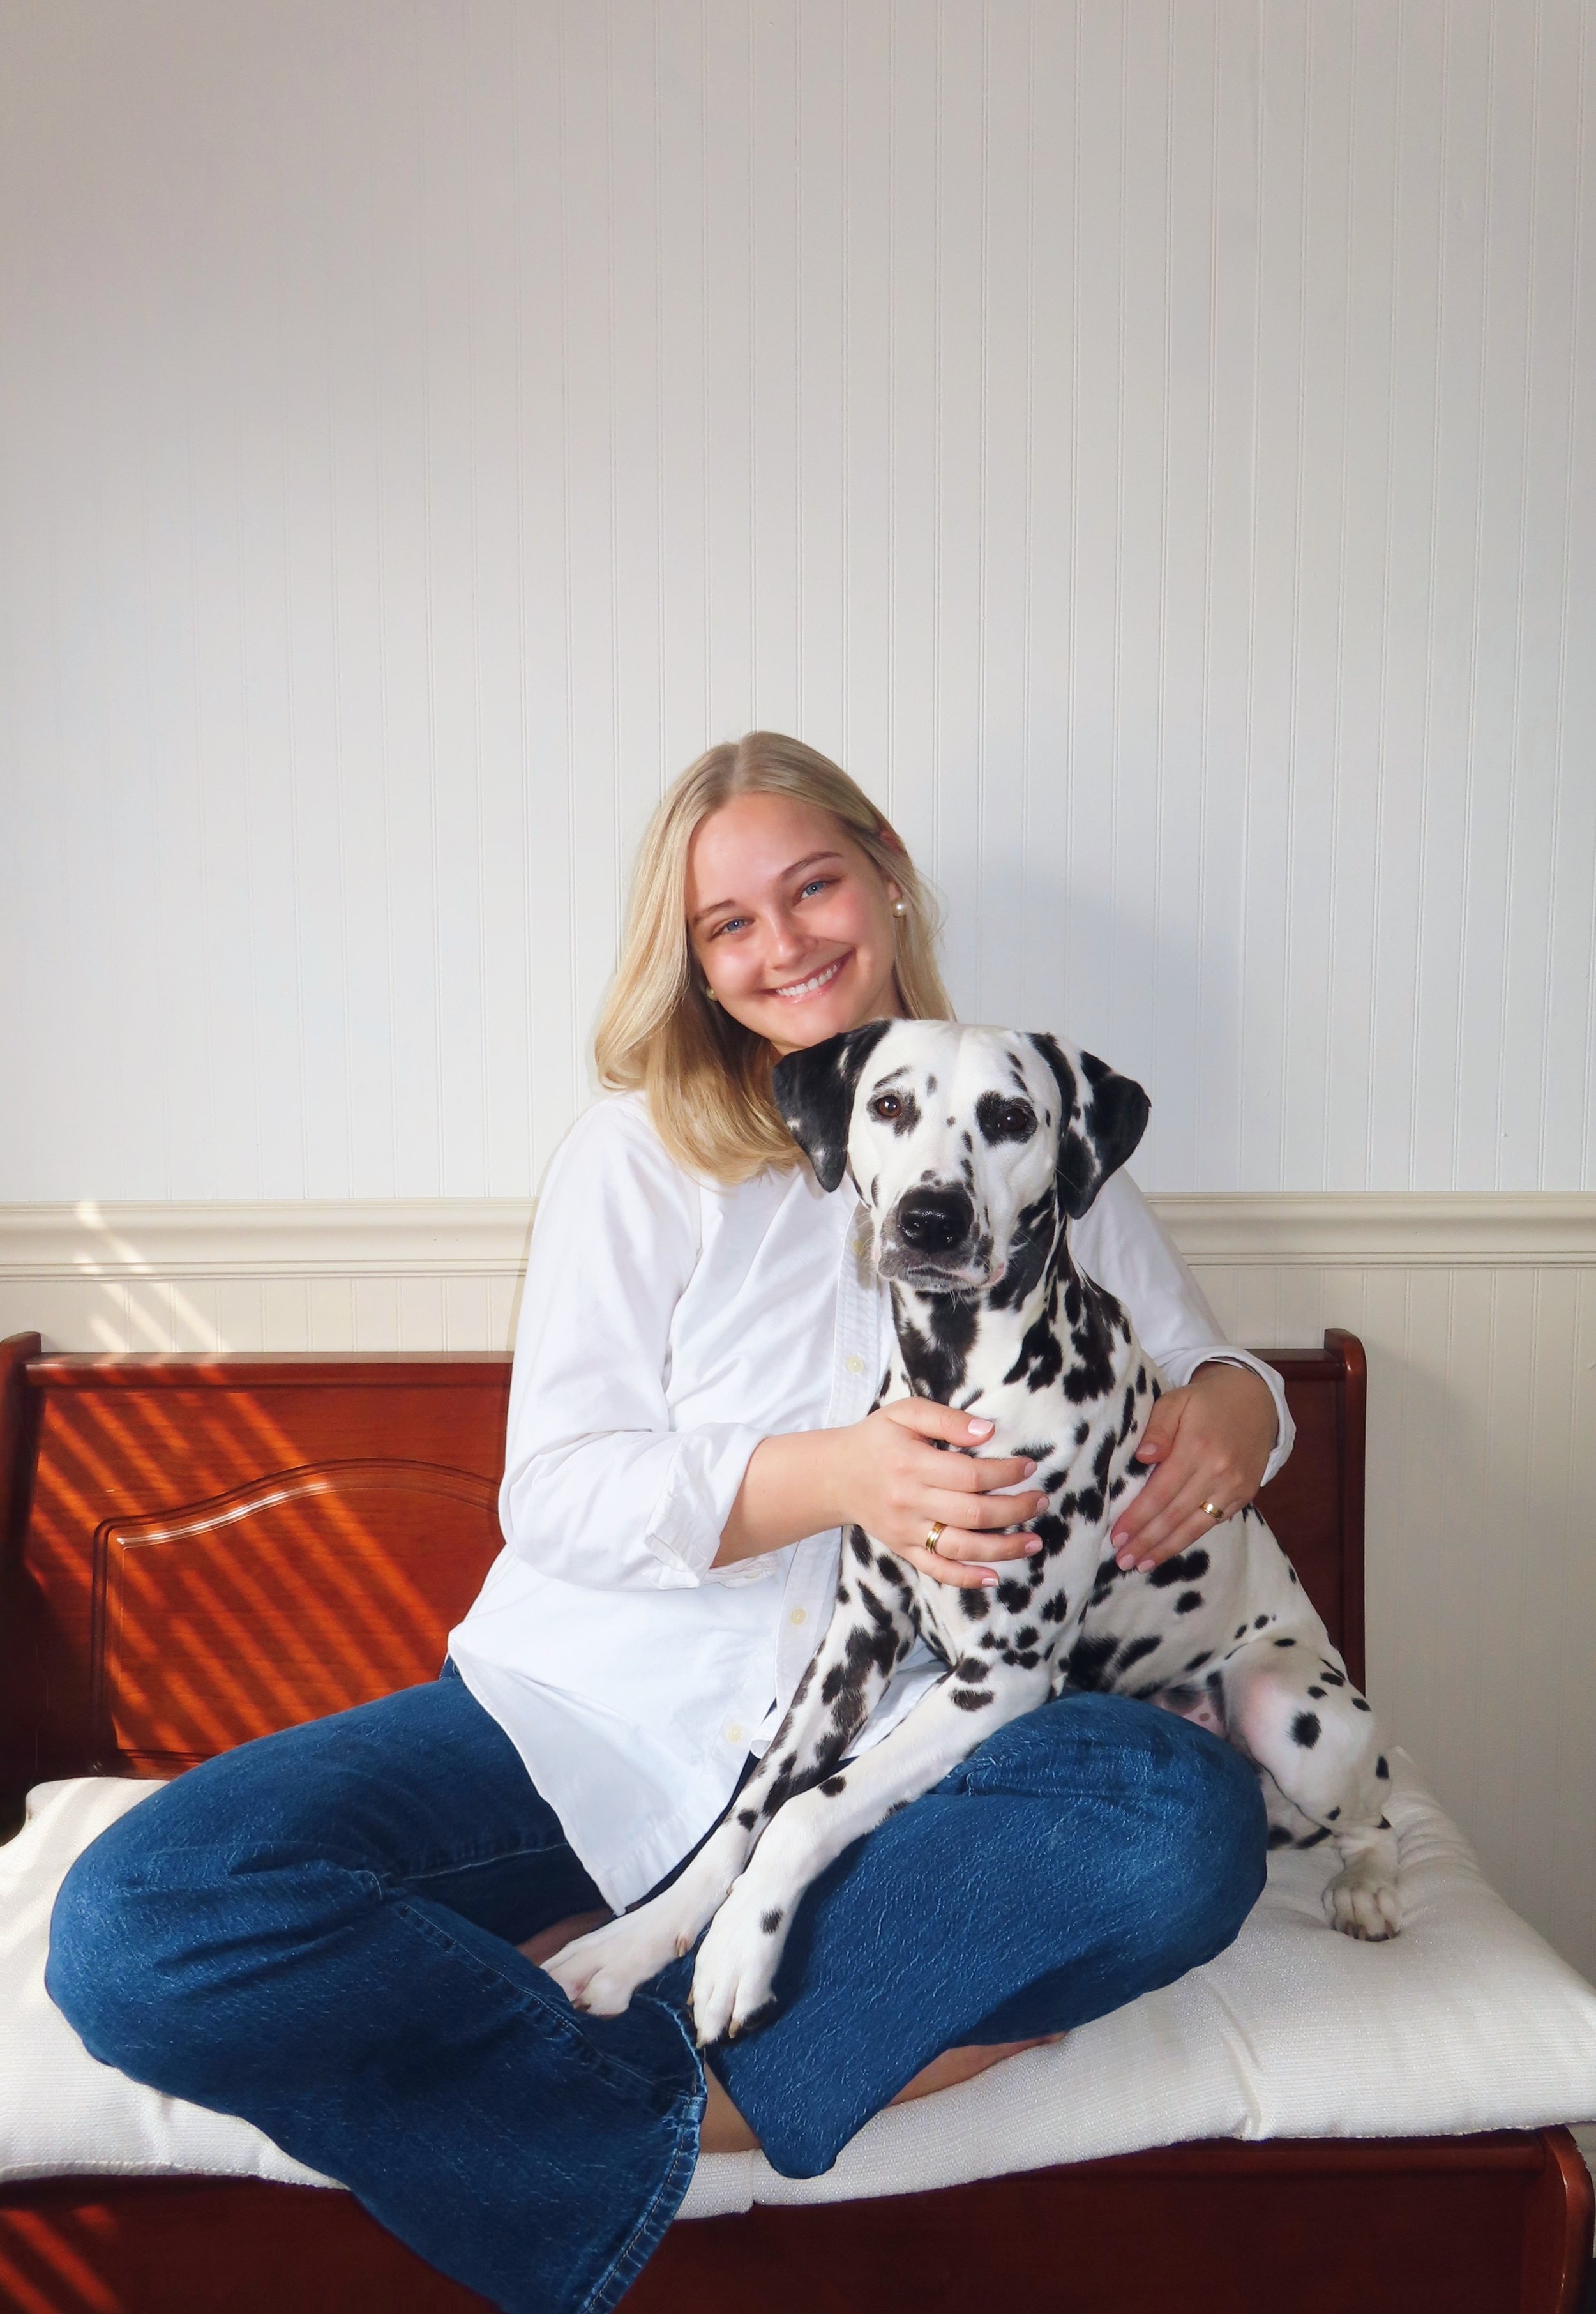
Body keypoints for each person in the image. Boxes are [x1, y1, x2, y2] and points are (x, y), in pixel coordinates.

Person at [47, 734, 1286, 2314]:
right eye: (729, 924)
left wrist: (1244, 1397)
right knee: (140, 1921)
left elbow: (1197, 1366)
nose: (783, 945)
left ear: (885, 876)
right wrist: (835, 1474)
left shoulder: (1026, 1125)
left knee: (1177, 1816)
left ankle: (667, 2057)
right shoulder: (636, 1156)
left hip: (897, 1754)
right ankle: (721, 2096)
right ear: (693, 961)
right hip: (581, 1729)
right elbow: (554, 1489)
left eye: (813, 885)